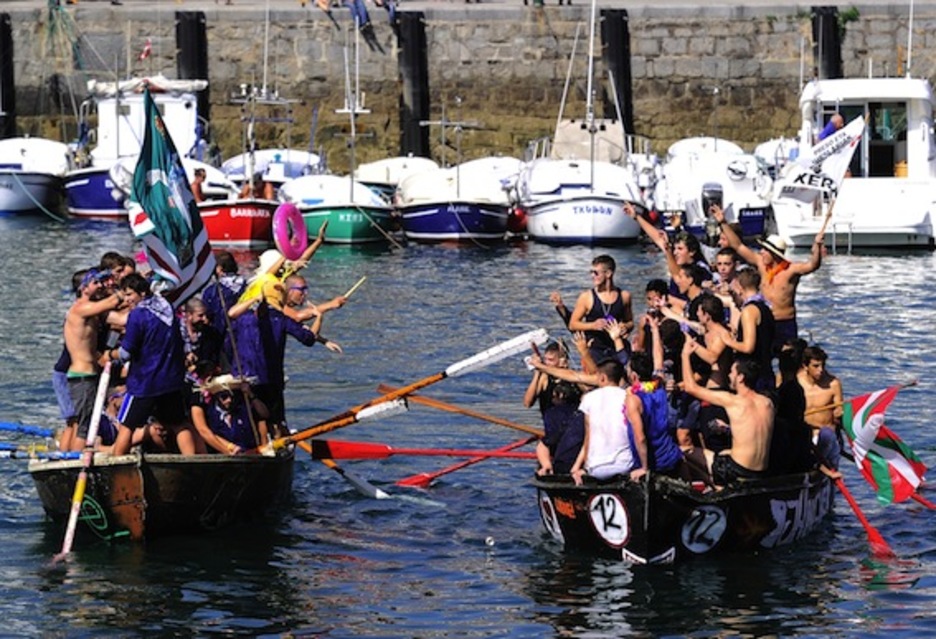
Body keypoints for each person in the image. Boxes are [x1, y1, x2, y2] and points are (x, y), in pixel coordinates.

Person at [106, 287, 202, 456]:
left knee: (126, 426)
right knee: (179, 423)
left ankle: (117, 468)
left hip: (144, 382)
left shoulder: (137, 314)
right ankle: (190, 463)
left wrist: (110, 354)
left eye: (130, 294)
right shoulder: (168, 309)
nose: (127, 300)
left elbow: (126, 352)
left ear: (142, 293)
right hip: (170, 381)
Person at [712, 204, 823, 350]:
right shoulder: (761, 264)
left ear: (774, 253)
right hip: (766, 321)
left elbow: (812, 265)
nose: (762, 252)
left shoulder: (791, 270)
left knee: (789, 360)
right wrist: (722, 222)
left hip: (785, 322)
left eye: (765, 250)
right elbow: (738, 246)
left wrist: (817, 247)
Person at [681, 341, 774, 487]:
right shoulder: (768, 403)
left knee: (684, 451)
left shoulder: (733, 401)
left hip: (737, 471)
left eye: (732, 372)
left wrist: (685, 355)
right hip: (761, 472)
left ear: (741, 377)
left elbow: (691, 388)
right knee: (725, 452)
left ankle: (716, 488)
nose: (729, 376)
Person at [62, 268, 126, 451]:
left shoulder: (93, 311)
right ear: (84, 288)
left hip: (90, 375)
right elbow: (113, 301)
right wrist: (124, 288)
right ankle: (75, 462)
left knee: (88, 424)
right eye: (95, 283)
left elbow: (122, 319)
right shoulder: (80, 309)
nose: (100, 286)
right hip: (81, 376)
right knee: (84, 426)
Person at [569, 359, 639, 485]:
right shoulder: (630, 397)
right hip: (626, 466)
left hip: (596, 469)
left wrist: (577, 466)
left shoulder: (589, 398)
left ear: (602, 378)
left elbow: (588, 437)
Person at [625, 351, 685, 479]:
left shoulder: (633, 400)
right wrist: (655, 331)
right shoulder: (659, 386)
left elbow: (640, 438)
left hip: (654, 465)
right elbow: (658, 360)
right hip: (671, 457)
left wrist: (644, 468)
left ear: (634, 376)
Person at [568, 255, 634, 361]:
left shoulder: (624, 296)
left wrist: (625, 327)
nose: (592, 276)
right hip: (595, 350)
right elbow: (572, 324)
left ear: (608, 274)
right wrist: (593, 325)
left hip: (616, 347)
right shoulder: (587, 297)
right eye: (591, 272)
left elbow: (630, 321)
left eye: (596, 273)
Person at [721, 269, 775, 391]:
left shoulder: (749, 311)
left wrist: (728, 341)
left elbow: (748, 347)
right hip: (766, 369)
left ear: (740, 287)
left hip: (754, 375)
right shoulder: (766, 308)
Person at [797, 345, 844, 471]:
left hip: (825, 436)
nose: (821, 370)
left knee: (827, 435)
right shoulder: (796, 383)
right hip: (804, 436)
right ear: (805, 366)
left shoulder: (833, 384)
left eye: (823, 365)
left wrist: (840, 413)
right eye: (816, 366)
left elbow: (839, 411)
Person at [535, 381, 585, 476]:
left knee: (543, 444)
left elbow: (548, 440)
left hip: (563, 464)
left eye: (554, 396)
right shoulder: (584, 412)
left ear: (561, 395)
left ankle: (547, 465)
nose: (552, 398)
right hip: (583, 463)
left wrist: (546, 464)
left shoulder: (552, 413)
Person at [523, 341, 568, 416]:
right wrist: (537, 373)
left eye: (551, 360)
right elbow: (527, 403)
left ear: (561, 360)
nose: (547, 363)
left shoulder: (573, 376)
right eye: (545, 359)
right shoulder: (544, 378)